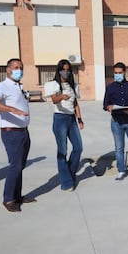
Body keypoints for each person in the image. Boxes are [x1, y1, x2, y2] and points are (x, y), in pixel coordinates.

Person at [0, 58, 37, 212]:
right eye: (16, 67)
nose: (19, 70)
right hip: (11, 133)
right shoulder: (1, 86)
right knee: (15, 166)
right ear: (8, 69)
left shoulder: (18, 87)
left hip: (23, 131)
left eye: (21, 67)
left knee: (20, 166)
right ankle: (8, 199)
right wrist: (12, 110)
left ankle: (17, 196)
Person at [44, 59, 84, 191]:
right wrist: (62, 97)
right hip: (60, 118)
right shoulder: (54, 84)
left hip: (72, 119)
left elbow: (75, 104)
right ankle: (66, 182)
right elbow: (54, 100)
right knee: (62, 151)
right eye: (63, 70)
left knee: (78, 147)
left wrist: (79, 119)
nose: (65, 72)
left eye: (68, 70)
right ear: (59, 70)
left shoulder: (73, 85)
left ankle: (70, 174)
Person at [103, 62, 128, 181]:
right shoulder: (110, 87)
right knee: (119, 147)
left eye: (120, 73)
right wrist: (109, 107)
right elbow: (105, 104)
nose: (117, 75)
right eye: (115, 73)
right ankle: (121, 170)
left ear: (125, 72)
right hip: (116, 121)